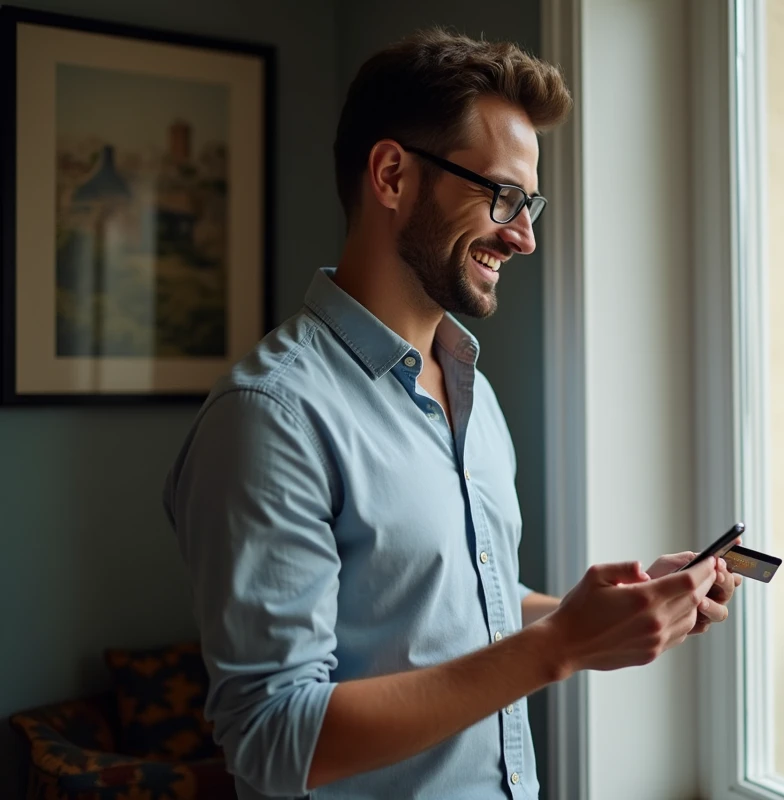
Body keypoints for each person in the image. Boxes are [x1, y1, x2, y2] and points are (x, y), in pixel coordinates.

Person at [163, 28, 741, 800]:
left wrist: (601, 614)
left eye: (529, 202)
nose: (525, 236)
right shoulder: (271, 418)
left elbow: (453, 609)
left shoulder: (469, 384)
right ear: (393, 175)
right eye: (502, 196)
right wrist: (559, 648)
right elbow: (273, 737)